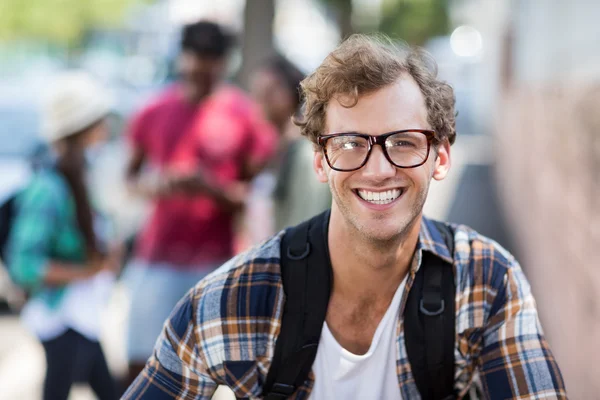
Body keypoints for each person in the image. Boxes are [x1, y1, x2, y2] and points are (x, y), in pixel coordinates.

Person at [123, 34, 567, 399]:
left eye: (405, 142)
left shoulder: (484, 280)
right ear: (320, 161)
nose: (377, 170)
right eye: (351, 143)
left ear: (441, 156)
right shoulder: (239, 296)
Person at [123, 20, 278, 385]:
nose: (199, 70)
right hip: (156, 256)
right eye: (193, 60)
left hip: (217, 261)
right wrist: (160, 185)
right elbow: (129, 180)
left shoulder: (244, 116)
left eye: (209, 62)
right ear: (182, 58)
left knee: (221, 373)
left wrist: (210, 188)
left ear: (223, 63)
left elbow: (257, 199)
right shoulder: (152, 110)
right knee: (140, 362)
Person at [7, 71, 120, 400]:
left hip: (81, 315)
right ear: (82, 129)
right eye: (99, 120)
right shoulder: (48, 188)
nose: (106, 128)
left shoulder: (80, 178)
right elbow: (24, 265)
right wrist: (87, 270)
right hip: (61, 319)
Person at [250, 55, 331, 233]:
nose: (260, 100)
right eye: (258, 93)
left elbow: (307, 220)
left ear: (289, 95)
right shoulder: (279, 147)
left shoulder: (305, 152)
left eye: (268, 92)